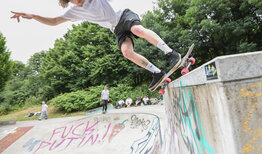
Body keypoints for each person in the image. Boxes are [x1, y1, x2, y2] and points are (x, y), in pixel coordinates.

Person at [10, 0, 181, 91]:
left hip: (124, 15)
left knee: (137, 29)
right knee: (127, 52)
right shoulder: (73, 11)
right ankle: (157, 73)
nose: (80, 1)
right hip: (117, 29)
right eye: (75, 0)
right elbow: (55, 21)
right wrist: (33, 15)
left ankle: (171, 53)